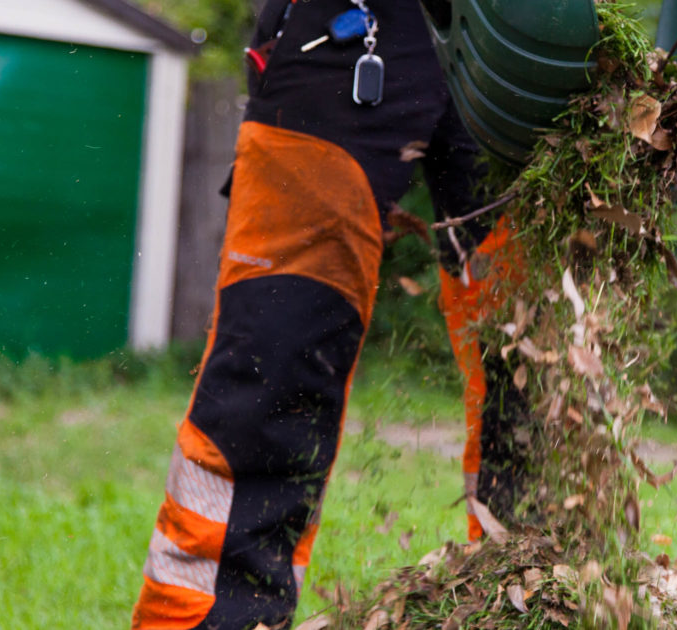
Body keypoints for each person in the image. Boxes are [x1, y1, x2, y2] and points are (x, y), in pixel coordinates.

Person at [129, 1, 529, 628]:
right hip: (348, 27)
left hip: (536, 35)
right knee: (274, 351)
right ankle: (215, 619)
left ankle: (547, 598)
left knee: (545, 359)